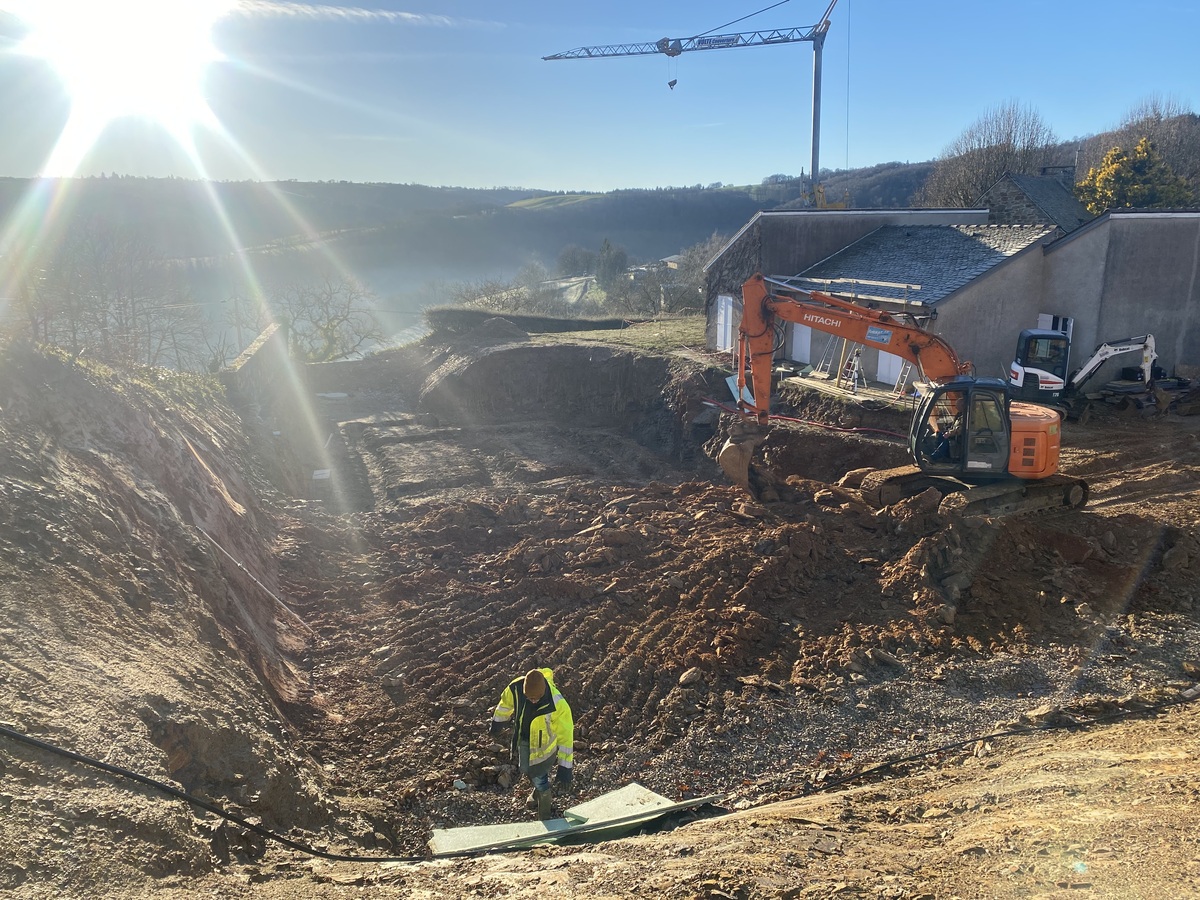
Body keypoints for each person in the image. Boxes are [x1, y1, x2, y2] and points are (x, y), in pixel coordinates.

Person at [489, 667, 574, 821]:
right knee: (526, 769)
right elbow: (505, 704)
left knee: (540, 779)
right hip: (524, 740)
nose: (533, 701)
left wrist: (565, 767)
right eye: (530, 698)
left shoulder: (557, 704)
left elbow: (566, 736)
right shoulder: (516, 688)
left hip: (544, 749)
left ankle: (545, 816)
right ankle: (537, 792)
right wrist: (498, 721)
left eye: (536, 698)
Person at [929, 394, 966, 462]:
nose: (956, 407)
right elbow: (954, 425)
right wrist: (948, 428)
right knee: (940, 434)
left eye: (957, 406)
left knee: (946, 440)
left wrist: (949, 433)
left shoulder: (966, 416)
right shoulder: (959, 414)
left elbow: (960, 430)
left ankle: (935, 457)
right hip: (954, 433)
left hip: (960, 437)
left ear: (963, 406)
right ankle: (937, 453)